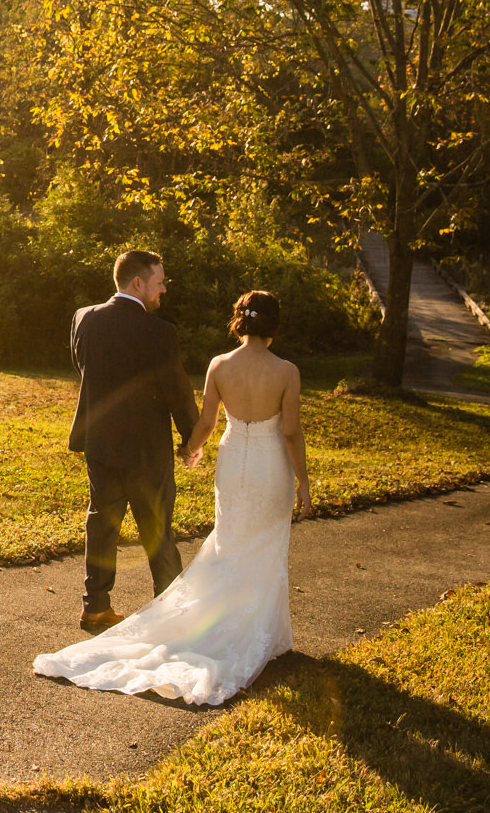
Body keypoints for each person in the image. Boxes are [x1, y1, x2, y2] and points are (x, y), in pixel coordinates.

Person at [35, 290, 312, 706]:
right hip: (269, 467)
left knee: (229, 541)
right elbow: (290, 432)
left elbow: (206, 421)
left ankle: (215, 622)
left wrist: (190, 449)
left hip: (233, 463)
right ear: (274, 325)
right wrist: (303, 482)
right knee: (266, 545)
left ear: (240, 321)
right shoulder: (287, 371)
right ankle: (261, 632)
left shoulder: (219, 365)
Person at [65, 250, 198, 634]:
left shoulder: (83, 318)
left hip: (99, 440)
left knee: (101, 523)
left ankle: (96, 606)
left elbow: (83, 365)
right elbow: (177, 390)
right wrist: (191, 439)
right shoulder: (159, 332)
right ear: (137, 282)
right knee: (156, 527)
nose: (164, 290)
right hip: (146, 448)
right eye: (159, 281)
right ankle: (170, 611)